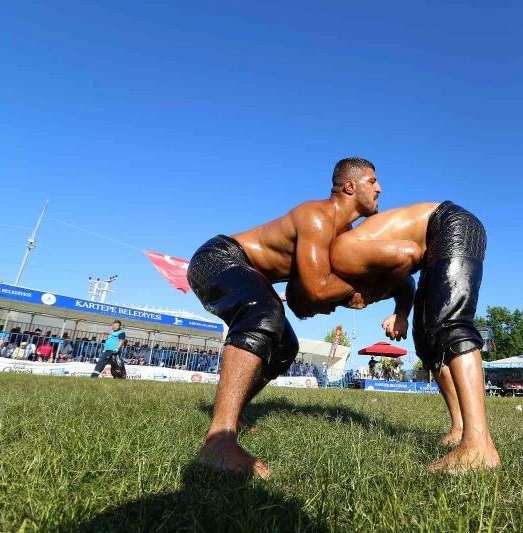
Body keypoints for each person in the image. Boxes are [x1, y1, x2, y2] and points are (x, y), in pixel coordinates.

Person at [186, 157, 387, 477]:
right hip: (218, 257)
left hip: (254, 275)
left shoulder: (342, 234)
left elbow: (309, 296)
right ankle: (218, 441)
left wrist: (358, 293)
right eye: (372, 181)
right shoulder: (318, 216)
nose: (379, 188)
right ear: (350, 186)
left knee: (284, 347)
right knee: (262, 313)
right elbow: (320, 288)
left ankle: (232, 413)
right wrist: (360, 288)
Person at [320, 201, 501, 473]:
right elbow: (406, 280)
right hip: (434, 243)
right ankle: (460, 427)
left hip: (450, 223)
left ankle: (479, 446)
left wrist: (384, 294)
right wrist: (401, 314)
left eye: (345, 302)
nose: (356, 305)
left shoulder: (344, 253)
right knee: (428, 342)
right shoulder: (358, 261)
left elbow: (409, 253)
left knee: (451, 323)